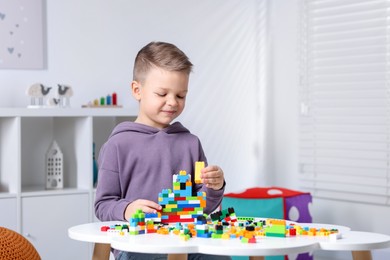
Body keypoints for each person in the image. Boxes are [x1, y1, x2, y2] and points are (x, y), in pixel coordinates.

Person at [94, 41, 229, 260]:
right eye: (162, 94)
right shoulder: (119, 144)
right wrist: (127, 210)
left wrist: (215, 187)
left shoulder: (190, 143)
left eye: (180, 95)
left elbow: (202, 206)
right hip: (137, 245)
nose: (172, 102)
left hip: (186, 242)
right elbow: (103, 204)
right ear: (137, 90)